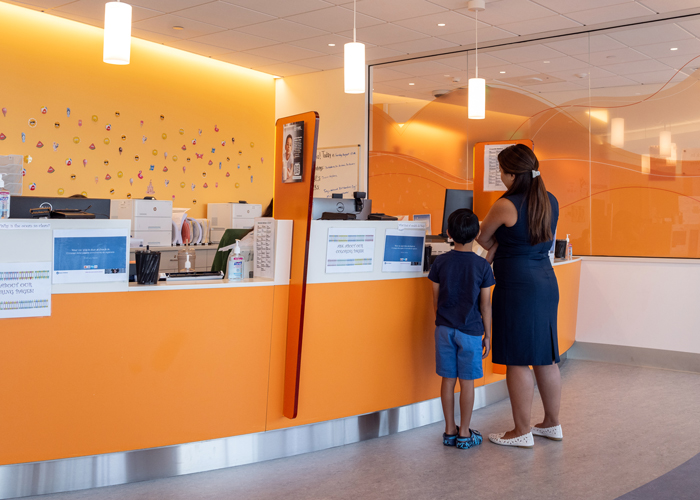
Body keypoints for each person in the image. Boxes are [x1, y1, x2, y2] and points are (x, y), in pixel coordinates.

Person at [475, 144, 561, 449]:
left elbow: (483, 238)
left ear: (511, 173)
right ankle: (551, 424)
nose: (500, 175)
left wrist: (500, 241)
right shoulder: (550, 200)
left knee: (517, 359)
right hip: (546, 282)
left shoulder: (505, 205)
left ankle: (521, 430)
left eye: (501, 170)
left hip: (517, 285)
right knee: (546, 357)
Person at [428, 208, 495, 450]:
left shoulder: (440, 262)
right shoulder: (482, 267)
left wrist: (445, 320)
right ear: (477, 233)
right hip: (471, 332)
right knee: (467, 383)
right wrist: (488, 335)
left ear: (448, 233)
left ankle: (449, 431)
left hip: (444, 329)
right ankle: (465, 434)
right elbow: (485, 305)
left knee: (448, 380)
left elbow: (435, 301)